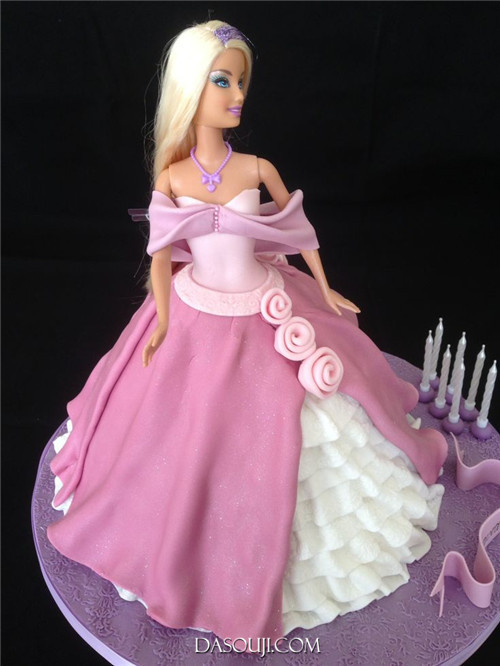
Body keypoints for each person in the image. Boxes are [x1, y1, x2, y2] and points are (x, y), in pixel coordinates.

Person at [48, 20, 447, 645]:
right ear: (191, 88)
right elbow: (161, 257)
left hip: (263, 304)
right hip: (196, 313)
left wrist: (325, 288)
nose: (238, 94)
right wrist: (161, 323)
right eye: (223, 81)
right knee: (173, 430)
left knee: (310, 416)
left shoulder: (258, 168)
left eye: (241, 81)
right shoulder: (172, 178)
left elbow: (298, 231)